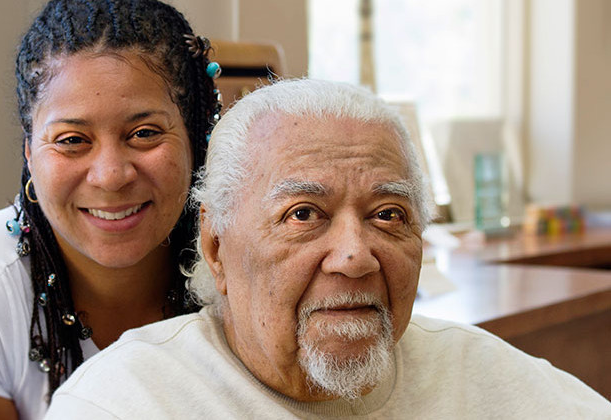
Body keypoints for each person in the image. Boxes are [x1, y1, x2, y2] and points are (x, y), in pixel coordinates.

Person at [45, 79, 611, 419]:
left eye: (388, 215)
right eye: (303, 215)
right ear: (216, 247)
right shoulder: (125, 404)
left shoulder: (491, 379)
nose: (355, 256)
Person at [0, 0, 220, 418]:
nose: (110, 175)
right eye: (71, 139)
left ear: (196, 137)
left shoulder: (252, 268)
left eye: (144, 133)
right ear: (29, 153)